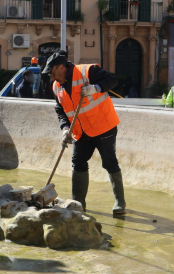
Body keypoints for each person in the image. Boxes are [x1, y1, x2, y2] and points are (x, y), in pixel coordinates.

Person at [43, 50, 125, 216]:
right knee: (78, 162)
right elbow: (60, 110)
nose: (52, 78)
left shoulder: (88, 72)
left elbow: (112, 81)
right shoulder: (56, 87)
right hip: (81, 132)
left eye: (52, 73)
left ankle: (120, 203)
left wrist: (96, 87)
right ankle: (78, 204)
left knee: (109, 162)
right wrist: (65, 129)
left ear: (60, 67)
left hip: (103, 127)